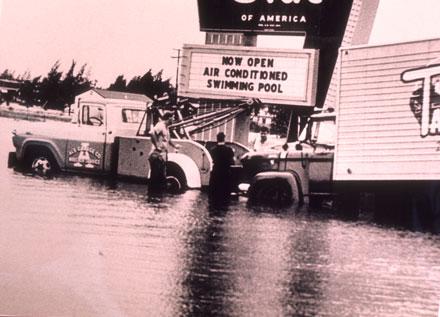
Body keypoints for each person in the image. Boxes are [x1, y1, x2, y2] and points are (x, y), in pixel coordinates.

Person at [148, 111, 180, 198]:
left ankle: (157, 198)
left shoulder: (167, 128)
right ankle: (152, 197)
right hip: (156, 155)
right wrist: (157, 145)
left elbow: (168, 139)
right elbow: (152, 133)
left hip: (162, 155)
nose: (174, 119)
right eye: (173, 117)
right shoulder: (160, 125)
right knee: (156, 178)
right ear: (169, 118)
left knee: (161, 177)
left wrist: (174, 146)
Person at [209, 132, 235, 203]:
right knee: (225, 194)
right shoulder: (229, 150)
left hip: (216, 173)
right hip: (225, 173)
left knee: (215, 193)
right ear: (224, 139)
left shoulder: (213, 150)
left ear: (217, 139)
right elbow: (232, 162)